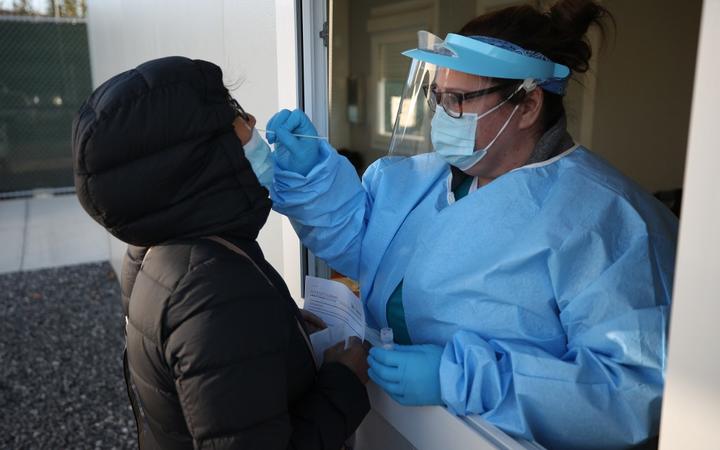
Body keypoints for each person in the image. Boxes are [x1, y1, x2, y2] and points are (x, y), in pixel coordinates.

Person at [264, 1, 678, 448]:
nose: (441, 114)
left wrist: (462, 378)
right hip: (388, 423)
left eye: (458, 100)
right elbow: (361, 243)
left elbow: (629, 388)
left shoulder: (608, 219)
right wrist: (313, 178)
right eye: (437, 96)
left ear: (527, 105)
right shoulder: (428, 177)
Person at [71, 56, 370, 449]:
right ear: (196, 158)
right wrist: (343, 383)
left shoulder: (154, 248)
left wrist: (280, 329)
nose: (251, 120)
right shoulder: (215, 289)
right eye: (234, 115)